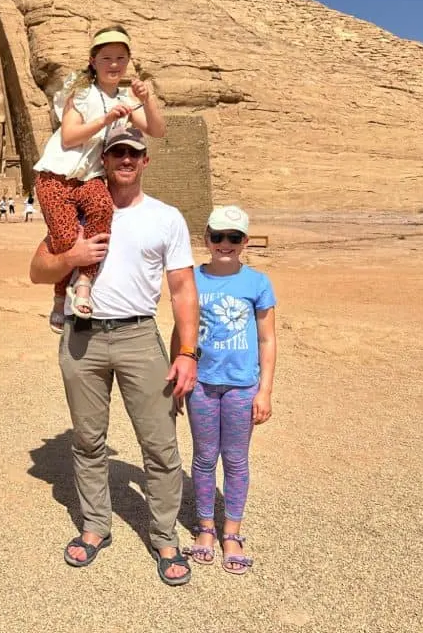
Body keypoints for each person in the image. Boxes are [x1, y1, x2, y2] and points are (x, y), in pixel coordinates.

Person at [29, 125, 199, 586]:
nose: (125, 159)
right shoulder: (79, 210)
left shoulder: (165, 218)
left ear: (145, 161)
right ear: (104, 160)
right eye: (117, 152)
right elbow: (36, 271)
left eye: (133, 153)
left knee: (160, 444)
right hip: (82, 338)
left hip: (139, 336)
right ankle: (95, 525)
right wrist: (71, 256)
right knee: (87, 440)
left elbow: (183, 290)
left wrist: (187, 351)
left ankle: (164, 536)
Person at [32, 25, 166, 334]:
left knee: (102, 211)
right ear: (93, 61)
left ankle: (84, 284)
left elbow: (157, 131)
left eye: (121, 57)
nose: (115, 64)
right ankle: (57, 297)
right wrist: (105, 120)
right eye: (107, 58)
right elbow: (68, 137)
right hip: (57, 176)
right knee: (68, 240)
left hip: (89, 177)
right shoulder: (79, 93)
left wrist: (147, 101)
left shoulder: (125, 99)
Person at [176, 206, 277, 575]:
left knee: (235, 460)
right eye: (218, 236)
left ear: (244, 242)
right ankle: (205, 528)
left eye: (233, 238)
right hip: (201, 383)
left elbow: (267, 339)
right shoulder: (191, 280)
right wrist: (178, 375)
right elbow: (181, 331)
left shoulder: (258, 282)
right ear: (206, 239)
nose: (225, 244)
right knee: (204, 458)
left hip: (241, 386)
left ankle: (231, 533)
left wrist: (265, 391)